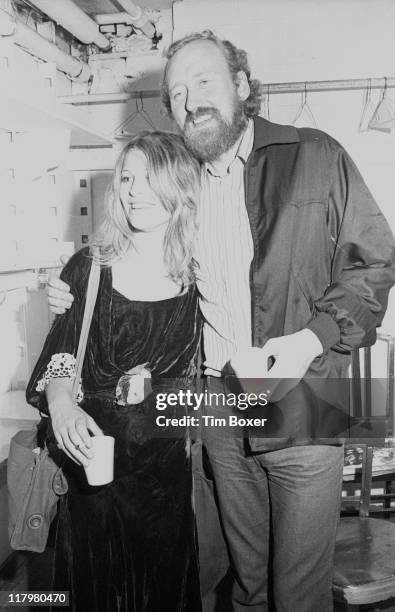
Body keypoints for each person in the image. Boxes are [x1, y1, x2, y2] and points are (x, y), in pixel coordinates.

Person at [48, 30, 395, 612]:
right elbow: (132, 272)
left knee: (300, 593)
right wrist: (71, 290)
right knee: (247, 583)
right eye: (177, 92)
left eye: (205, 81)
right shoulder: (180, 183)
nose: (191, 99)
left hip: (309, 391)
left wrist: (312, 338)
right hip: (217, 404)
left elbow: (376, 261)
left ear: (241, 85)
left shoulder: (314, 154)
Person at [26, 131, 203, 612]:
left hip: (165, 484)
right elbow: (61, 354)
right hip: (94, 473)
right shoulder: (89, 266)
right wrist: (61, 405)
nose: (135, 190)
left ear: (181, 185)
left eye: (150, 178)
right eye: (127, 178)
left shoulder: (201, 275)